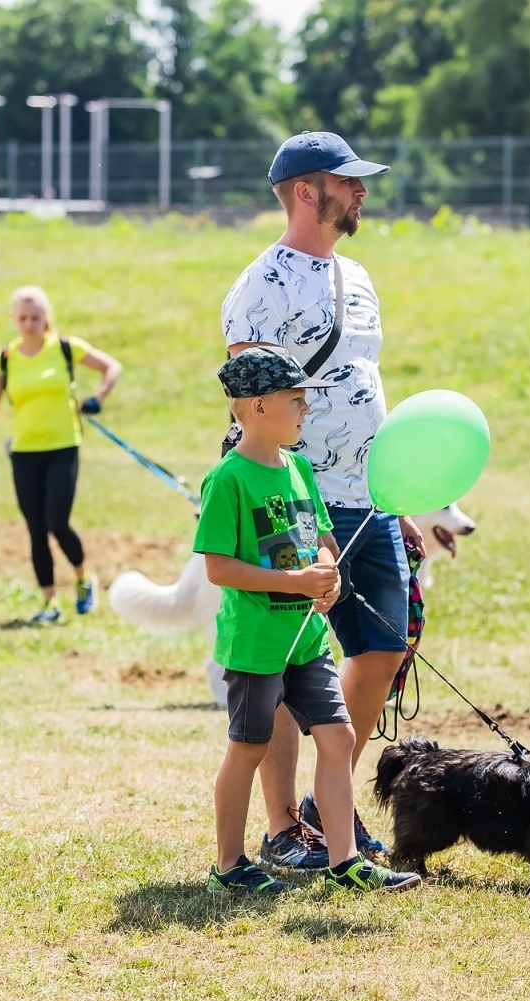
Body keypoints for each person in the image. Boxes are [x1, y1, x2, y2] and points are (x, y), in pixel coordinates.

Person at [221, 131, 418, 870]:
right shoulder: (258, 286)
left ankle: (320, 806)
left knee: (385, 646)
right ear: (308, 191)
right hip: (299, 501)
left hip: (373, 498)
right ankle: (281, 830)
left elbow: (368, 383)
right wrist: (300, 514)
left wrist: (404, 496)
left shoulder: (360, 275)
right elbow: (250, 405)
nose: (362, 192)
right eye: (349, 182)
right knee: (280, 666)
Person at [196, 346, 420, 894]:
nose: (305, 412)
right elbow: (219, 568)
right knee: (247, 749)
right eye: (295, 401)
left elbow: (321, 537)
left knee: (339, 737)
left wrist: (328, 572)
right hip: (257, 643)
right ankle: (228, 866)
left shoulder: (297, 468)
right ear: (255, 408)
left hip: (308, 640)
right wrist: (295, 584)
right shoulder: (228, 480)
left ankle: (344, 861)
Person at [0, 286, 121, 624]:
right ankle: (49, 602)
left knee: (56, 522)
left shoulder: (65, 348)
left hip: (63, 447)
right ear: (14, 319)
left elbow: (112, 367)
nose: (29, 324)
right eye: (22, 318)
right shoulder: (4, 359)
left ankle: (81, 578)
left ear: (46, 317)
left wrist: (98, 398)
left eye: (35, 317)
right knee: (35, 528)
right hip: (24, 452)